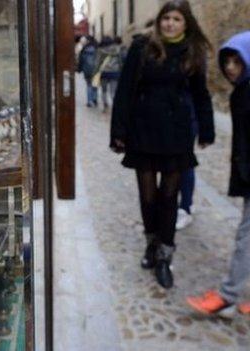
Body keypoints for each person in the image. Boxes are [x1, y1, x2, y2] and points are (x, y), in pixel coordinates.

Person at [110, 0, 214, 289]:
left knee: (170, 198)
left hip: (177, 135)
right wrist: (119, 130)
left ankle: (165, 256)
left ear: (186, 23)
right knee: (148, 198)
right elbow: (125, 90)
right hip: (143, 132)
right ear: (159, 21)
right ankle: (151, 244)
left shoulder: (192, 52)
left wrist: (206, 130)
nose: (170, 24)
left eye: (176, 19)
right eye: (166, 18)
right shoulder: (142, 46)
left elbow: (201, 94)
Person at [186, 31, 250, 315]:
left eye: (238, 61)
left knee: (246, 237)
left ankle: (227, 296)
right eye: (228, 62)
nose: (231, 68)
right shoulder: (242, 92)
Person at [95, 36, 124, 112]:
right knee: (113, 91)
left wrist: (96, 71)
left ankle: (105, 106)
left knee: (104, 90)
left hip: (104, 72)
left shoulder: (100, 50)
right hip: (114, 72)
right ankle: (115, 107)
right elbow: (120, 61)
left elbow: (97, 62)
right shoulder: (117, 49)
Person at [78, 36, 99, 107]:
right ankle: (94, 99)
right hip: (96, 70)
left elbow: (81, 61)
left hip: (87, 70)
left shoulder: (84, 50)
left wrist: (79, 69)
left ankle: (89, 101)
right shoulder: (97, 49)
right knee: (95, 85)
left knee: (89, 85)